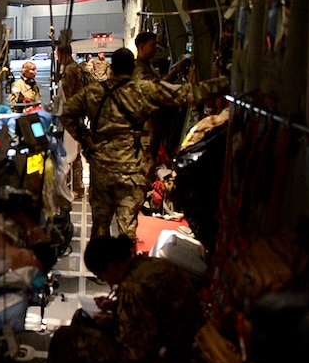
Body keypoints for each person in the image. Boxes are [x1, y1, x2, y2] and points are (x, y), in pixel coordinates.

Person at [25, 234, 206, 363]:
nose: (102, 280)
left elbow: (135, 350)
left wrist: (110, 324)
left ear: (112, 267)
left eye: (100, 275)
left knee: (67, 340)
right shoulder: (149, 266)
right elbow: (152, 314)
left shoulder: (133, 287)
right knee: (81, 318)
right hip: (177, 354)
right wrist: (117, 309)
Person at [60, 47, 229, 241]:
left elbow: (66, 113)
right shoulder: (143, 90)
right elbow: (187, 93)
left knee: (99, 229)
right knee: (127, 230)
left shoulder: (93, 93)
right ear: (132, 68)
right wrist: (226, 82)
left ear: (112, 68)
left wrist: (86, 140)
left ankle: (102, 266)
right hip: (132, 171)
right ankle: (125, 266)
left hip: (101, 170)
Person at [132, 31, 192, 180]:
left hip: (153, 126)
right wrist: (175, 72)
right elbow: (158, 91)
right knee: (145, 167)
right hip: (146, 128)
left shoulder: (147, 67)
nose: (155, 49)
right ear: (141, 46)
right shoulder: (140, 71)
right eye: (152, 45)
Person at [54, 43, 87, 201]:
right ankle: (76, 185)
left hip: (70, 117)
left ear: (60, 53)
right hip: (75, 116)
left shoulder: (69, 70)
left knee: (69, 153)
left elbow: (67, 98)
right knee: (73, 152)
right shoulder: (76, 68)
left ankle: (72, 187)